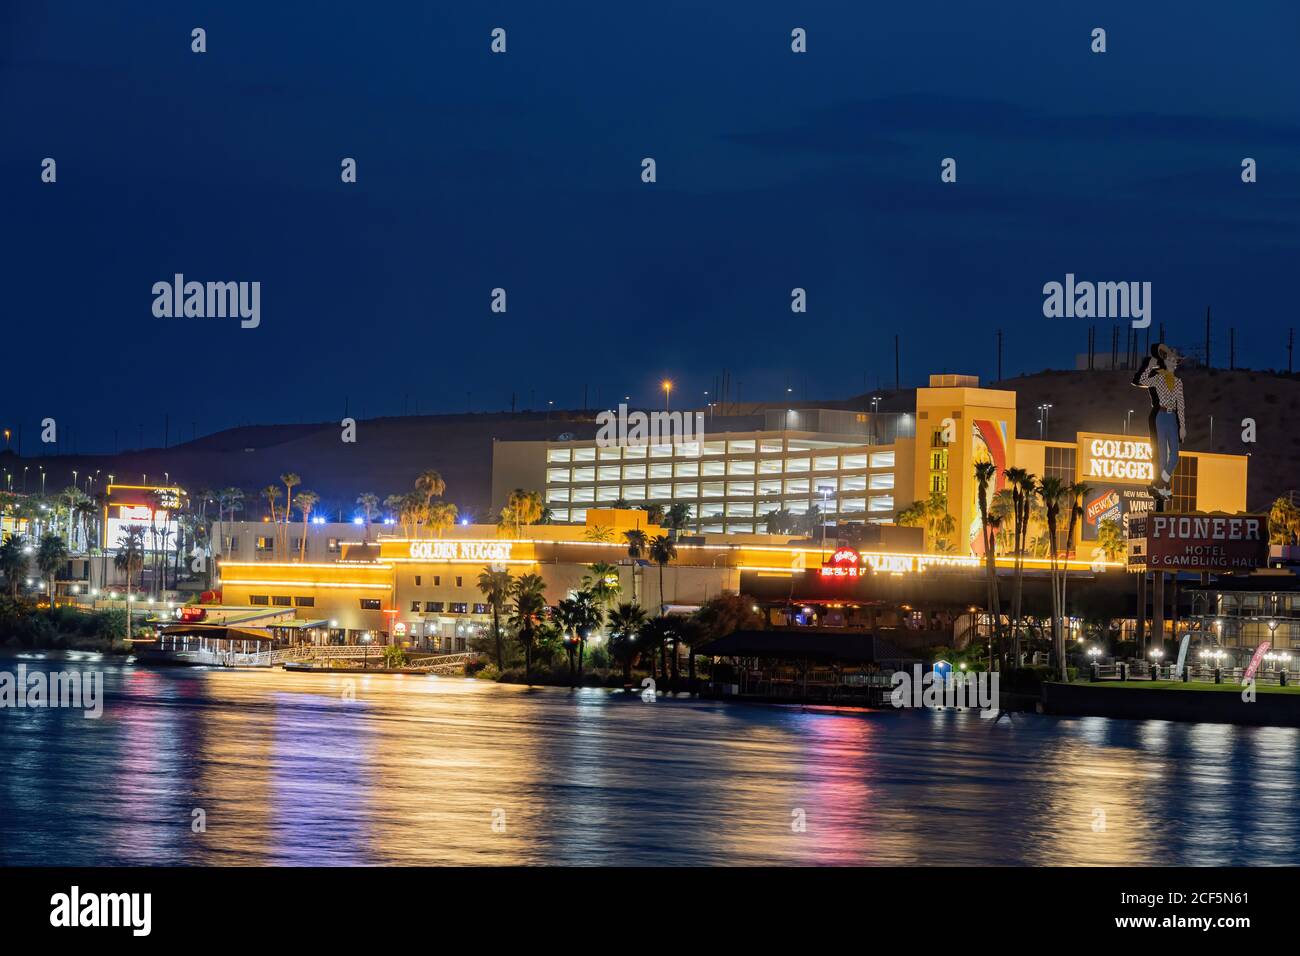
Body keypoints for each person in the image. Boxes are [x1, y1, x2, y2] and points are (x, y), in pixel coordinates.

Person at [1132, 343, 1186, 504]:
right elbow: (1141, 380)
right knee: (1162, 454)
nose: (1174, 362)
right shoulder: (1159, 378)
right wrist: (1149, 366)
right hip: (1161, 416)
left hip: (1172, 417)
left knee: (1174, 456)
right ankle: (1163, 488)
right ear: (1165, 361)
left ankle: (1161, 482)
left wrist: (1182, 426)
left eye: (1175, 361)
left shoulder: (1178, 382)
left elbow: (1181, 404)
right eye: (1171, 359)